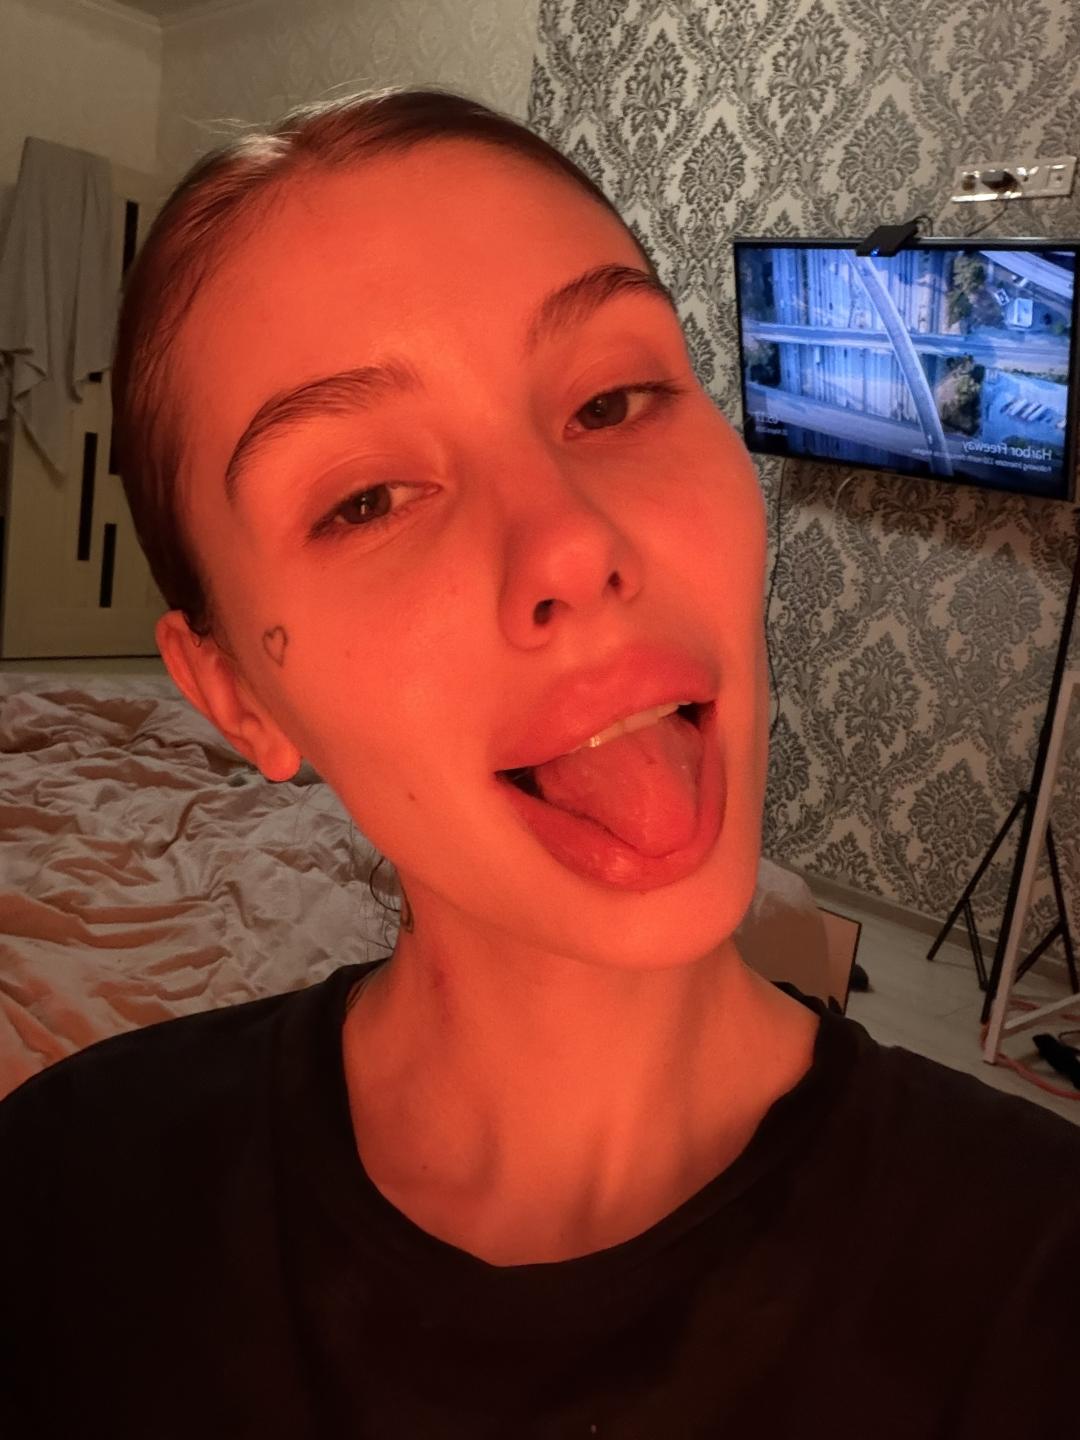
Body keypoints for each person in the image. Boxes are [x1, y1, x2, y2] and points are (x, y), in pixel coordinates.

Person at [2, 85, 1078, 1439]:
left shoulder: (1039, 1275)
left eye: (615, 399)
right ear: (234, 694)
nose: (571, 541)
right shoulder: (66, 1208)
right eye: (367, 499)